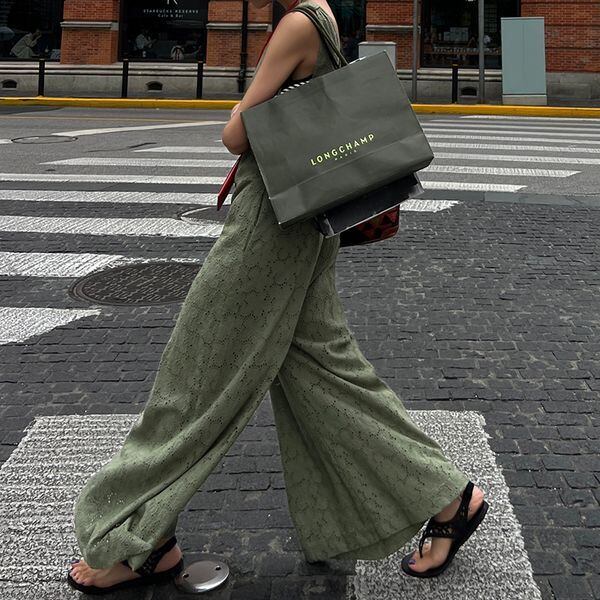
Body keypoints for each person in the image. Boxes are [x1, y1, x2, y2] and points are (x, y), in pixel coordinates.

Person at [67, 0, 488, 593]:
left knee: (198, 373)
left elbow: (235, 135)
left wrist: (239, 107)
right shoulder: (323, 16)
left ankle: (134, 536)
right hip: (303, 218)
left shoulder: (297, 24)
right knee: (325, 372)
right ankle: (450, 499)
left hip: (269, 226)